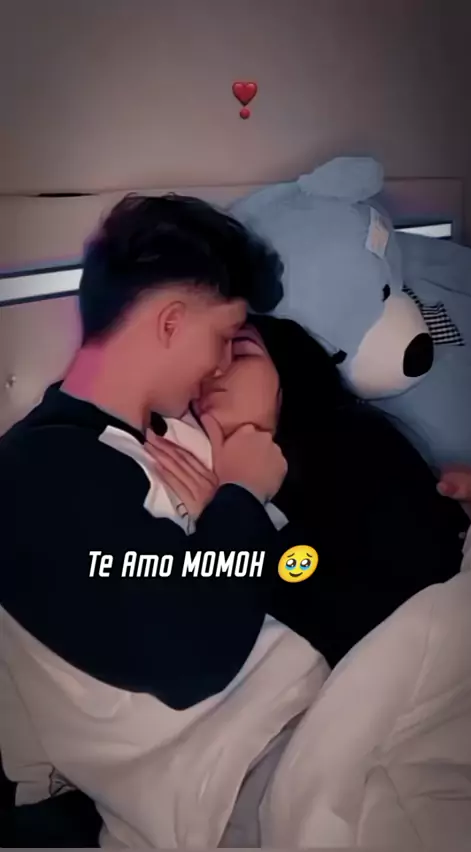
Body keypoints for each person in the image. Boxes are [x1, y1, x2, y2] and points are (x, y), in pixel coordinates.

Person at [0, 195, 329, 848]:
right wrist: (241, 497)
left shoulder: (171, 436)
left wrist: (239, 498)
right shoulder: (37, 471)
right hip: (233, 774)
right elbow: (188, 657)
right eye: (222, 337)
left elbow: (295, 579)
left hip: (307, 712)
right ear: (172, 322)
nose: (219, 365)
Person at [148, 314, 469, 666]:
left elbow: (372, 615)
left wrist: (234, 516)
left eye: (239, 352)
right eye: (203, 361)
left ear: (286, 371)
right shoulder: (187, 465)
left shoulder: (356, 442)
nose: (214, 370)